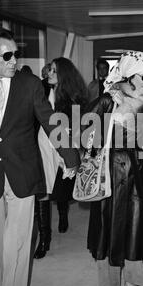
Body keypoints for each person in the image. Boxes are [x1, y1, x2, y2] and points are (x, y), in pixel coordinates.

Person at [0, 27, 79, 286]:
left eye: (16, 54)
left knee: (19, 242)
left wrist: (70, 157)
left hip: (23, 171)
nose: (14, 61)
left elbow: (50, 123)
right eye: (6, 55)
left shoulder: (29, 84)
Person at [86, 51, 143, 286]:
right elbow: (83, 131)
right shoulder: (109, 100)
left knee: (134, 234)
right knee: (108, 237)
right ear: (129, 76)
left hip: (137, 175)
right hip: (110, 178)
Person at [34, 57, 88, 259]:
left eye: (54, 71)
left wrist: (70, 153)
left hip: (64, 146)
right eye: (50, 70)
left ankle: (63, 213)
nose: (49, 73)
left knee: (61, 187)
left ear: (64, 75)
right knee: (43, 190)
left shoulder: (73, 99)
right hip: (43, 145)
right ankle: (44, 239)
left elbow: (77, 130)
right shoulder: (40, 91)